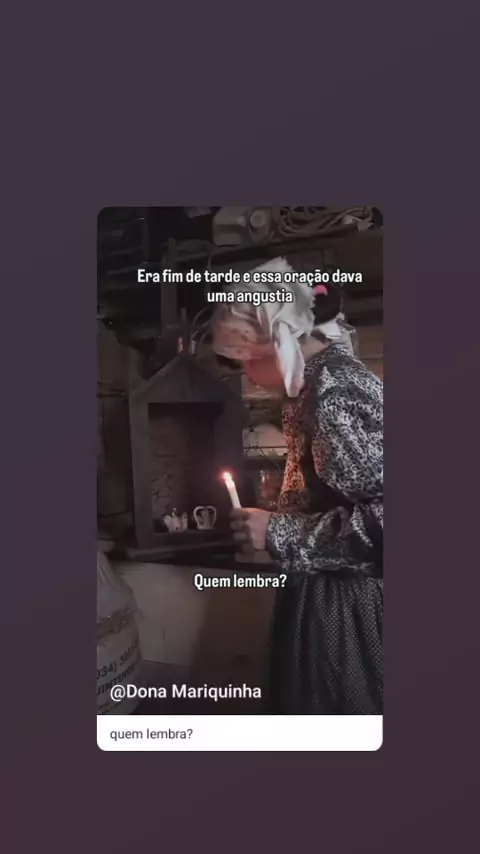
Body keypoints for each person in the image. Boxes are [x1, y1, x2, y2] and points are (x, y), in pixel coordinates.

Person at [211, 258, 383, 714]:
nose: (247, 374)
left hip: (348, 607)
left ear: (280, 343)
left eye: (247, 360)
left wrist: (279, 531)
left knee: (337, 719)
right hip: (331, 593)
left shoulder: (336, 390)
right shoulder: (319, 383)